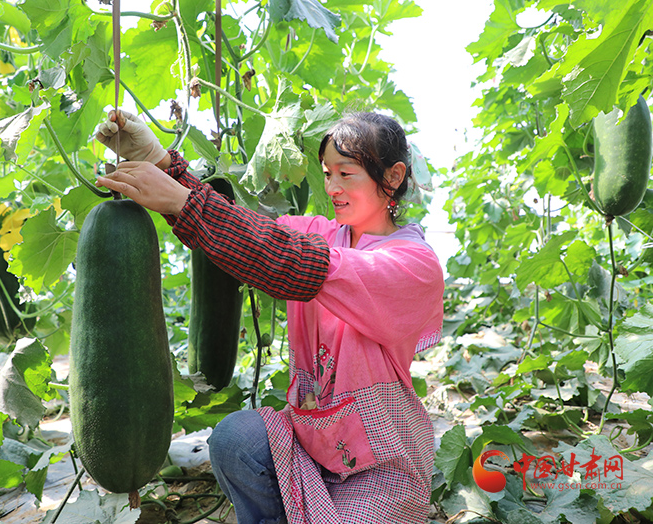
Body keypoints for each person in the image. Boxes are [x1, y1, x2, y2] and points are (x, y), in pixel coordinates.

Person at [94, 109, 444, 524]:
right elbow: (249, 230)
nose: (331, 187)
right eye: (327, 173)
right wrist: (163, 164)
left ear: (393, 176)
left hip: (380, 461)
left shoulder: (413, 265)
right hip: (312, 444)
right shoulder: (321, 230)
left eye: (346, 174)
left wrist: (181, 201)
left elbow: (294, 260)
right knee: (234, 439)